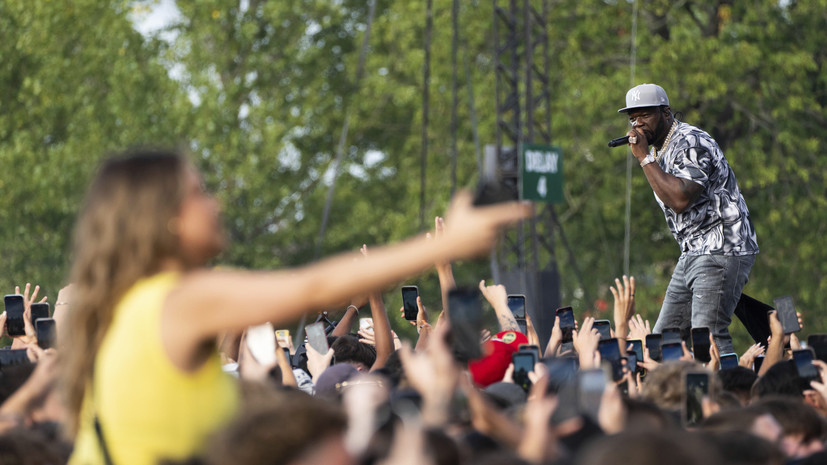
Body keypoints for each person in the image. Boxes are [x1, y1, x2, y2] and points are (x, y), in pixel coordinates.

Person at [61, 149, 532, 465]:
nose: (216, 202)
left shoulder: (137, 308)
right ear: (165, 220)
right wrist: (444, 245)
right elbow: (313, 287)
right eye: (200, 193)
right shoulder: (172, 299)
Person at [619, 83, 758, 355]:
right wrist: (649, 157)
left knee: (708, 335)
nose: (637, 124)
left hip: (722, 247)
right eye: (632, 118)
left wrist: (644, 158)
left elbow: (681, 199)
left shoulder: (690, 141)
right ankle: (669, 396)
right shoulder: (658, 150)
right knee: (662, 343)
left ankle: (730, 393)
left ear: (666, 112)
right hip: (694, 252)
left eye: (645, 115)